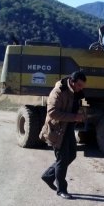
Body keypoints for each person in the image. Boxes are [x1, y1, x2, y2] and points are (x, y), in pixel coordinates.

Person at [39, 71, 86, 199]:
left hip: (68, 128)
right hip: (57, 130)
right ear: (72, 81)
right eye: (79, 85)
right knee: (62, 159)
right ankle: (61, 190)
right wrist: (74, 117)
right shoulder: (58, 91)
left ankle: (49, 176)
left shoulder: (75, 92)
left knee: (71, 155)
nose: (81, 88)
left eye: (83, 86)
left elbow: (73, 107)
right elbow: (52, 112)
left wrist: (80, 114)